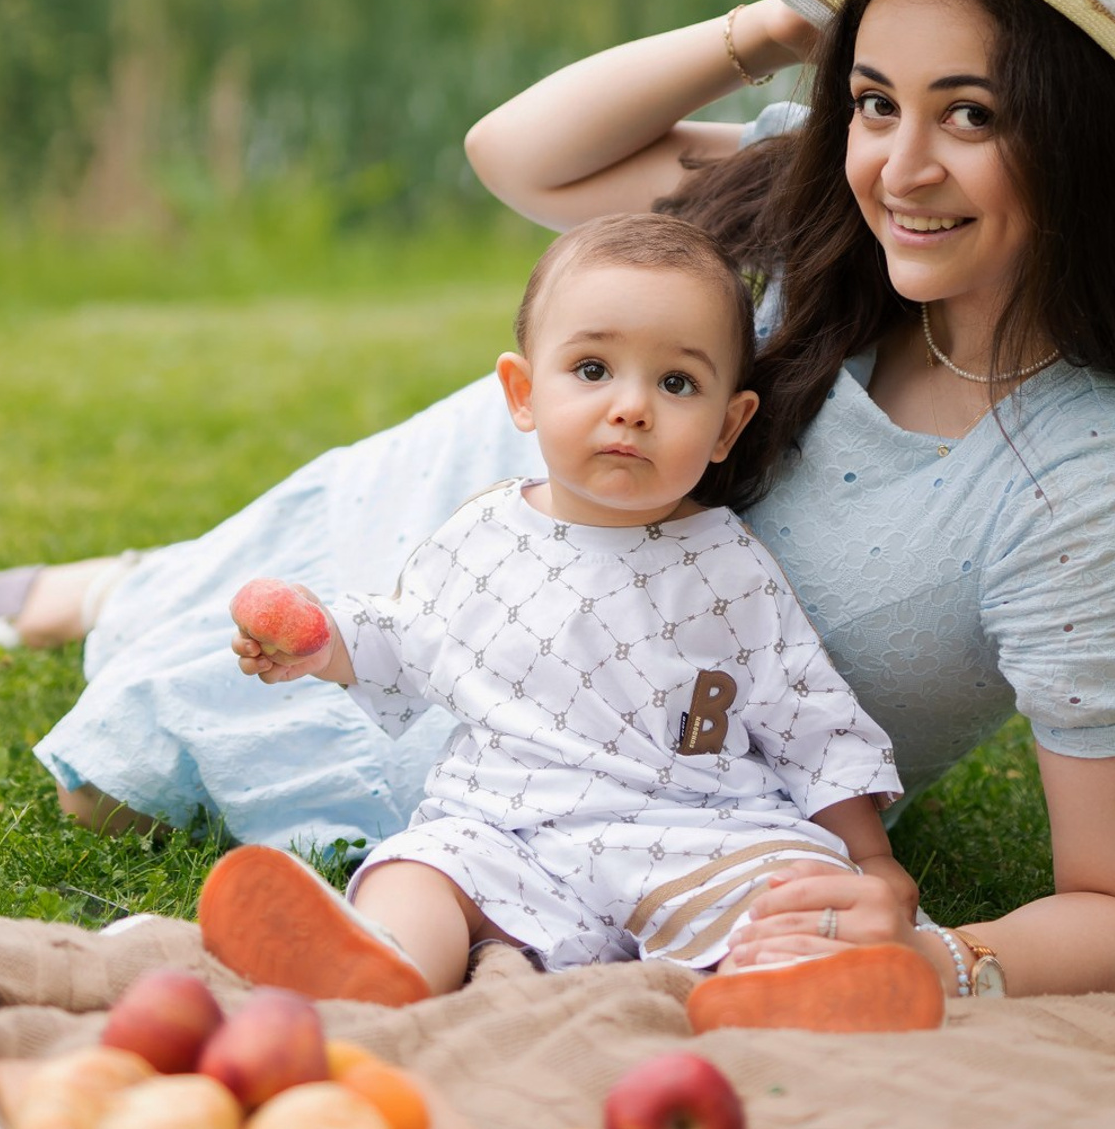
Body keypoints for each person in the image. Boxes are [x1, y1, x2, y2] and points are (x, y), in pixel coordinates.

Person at [0, 0, 1115, 1006]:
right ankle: (128, 582)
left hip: (625, 782)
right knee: (156, 710)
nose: (899, 169)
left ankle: (138, 590)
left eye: (974, 114)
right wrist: (785, 31)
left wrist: (946, 961)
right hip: (491, 518)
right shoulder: (822, 199)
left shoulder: (1089, 495)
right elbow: (521, 156)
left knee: (146, 779)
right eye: (879, 101)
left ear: (1090, 144)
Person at [201, 212, 910, 1011]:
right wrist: (317, 643)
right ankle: (384, 962)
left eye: (677, 384)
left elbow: (807, 714)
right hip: (506, 828)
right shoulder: (483, 535)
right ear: (524, 393)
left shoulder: (730, 565)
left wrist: (868, 859)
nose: (633, 407)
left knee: (790, 885)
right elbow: (406, 640)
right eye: (593, 369)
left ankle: (780, 984)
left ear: (728, 426)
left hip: (693, 830)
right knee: (420, 869)